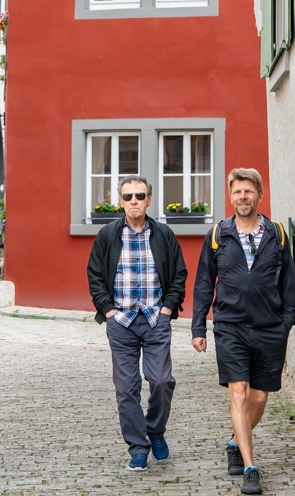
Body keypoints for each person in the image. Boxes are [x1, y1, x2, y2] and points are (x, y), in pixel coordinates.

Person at [192, 168, 295, 495]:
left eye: (248, 191)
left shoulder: (277, 234)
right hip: (230, 326)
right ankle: (251, 468)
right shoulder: (218, 235)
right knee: (239, 390)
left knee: (260, 396)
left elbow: (289, 282)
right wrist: (198, 326)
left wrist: (287, 322)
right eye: (237, 192)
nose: (243, 197)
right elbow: (204, 283)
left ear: (259, 195)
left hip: (269, 327)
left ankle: (235, 442)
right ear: (230, 196)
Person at [87, 175, 188, 471]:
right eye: (128, 196)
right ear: (120, 201)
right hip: (121, 321)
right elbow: (94, 275)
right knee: (126, 388)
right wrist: (108, 311)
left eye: (140, 196)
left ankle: (155, 430)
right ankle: (138, 447)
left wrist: (168, 309)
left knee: (161, 380)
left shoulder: (163, 234)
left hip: (156, 318)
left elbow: (179, 274)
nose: (134, 201)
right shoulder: (107, 235)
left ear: (149, 200)